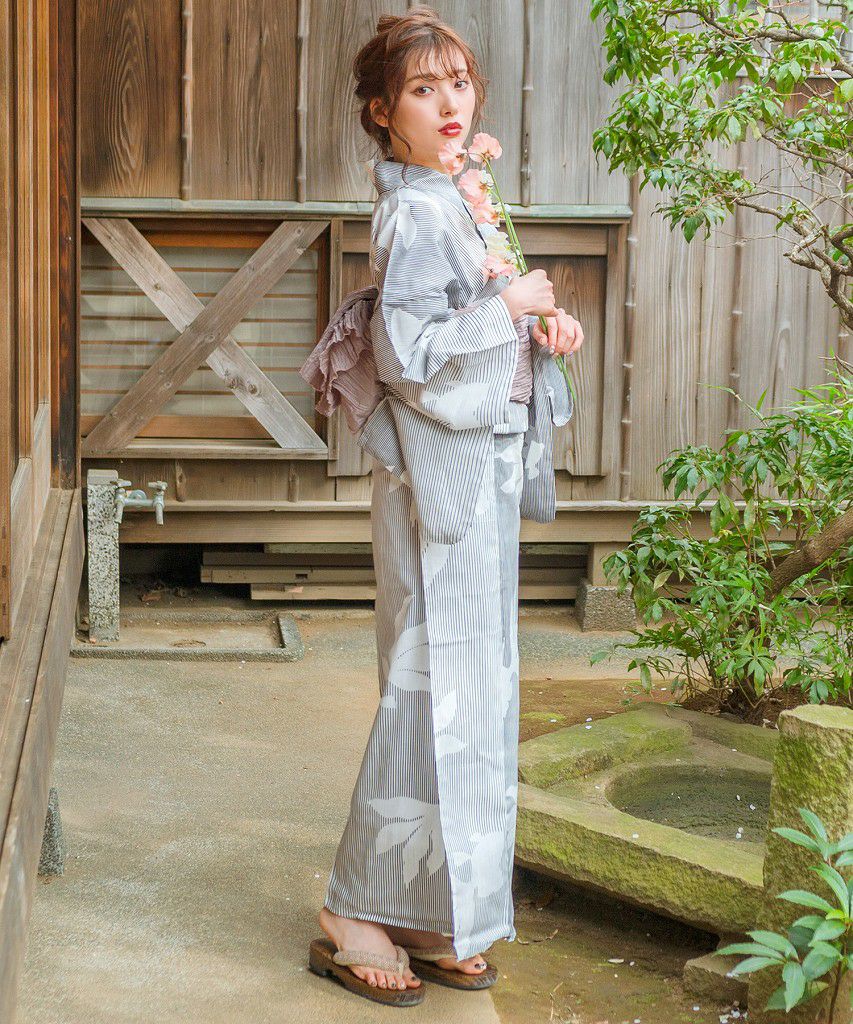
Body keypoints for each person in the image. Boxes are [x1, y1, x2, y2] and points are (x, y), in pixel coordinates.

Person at [308, 5, 583, 1007]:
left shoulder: (461, 193)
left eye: (457, 82)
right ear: (384, 114)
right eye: (421, 90)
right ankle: (352, 910)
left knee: (471, 690)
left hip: (477, 466)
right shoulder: (417, 211)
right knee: (428, 685)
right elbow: (408, 353)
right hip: (439, 474)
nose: (448, 102)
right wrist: (505, 309)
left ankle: (430, 908)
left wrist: (543, 329)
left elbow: (479, 317)